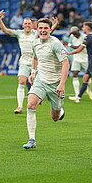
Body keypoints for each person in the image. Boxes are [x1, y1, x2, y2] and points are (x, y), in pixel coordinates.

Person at [0, 10, 59, 114]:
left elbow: (49, 31)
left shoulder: (36, 33)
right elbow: (5, 30)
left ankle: (42, 99)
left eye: (29, 23)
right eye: (25, 23)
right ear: (23, 24)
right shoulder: (19, 33)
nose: (27, 25)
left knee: (41, 83)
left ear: (32, 25)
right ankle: (19, 106)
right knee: (21, 81)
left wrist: (55, 24)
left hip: (37, 62)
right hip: (24, 62)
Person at [23, 18, 69, 149]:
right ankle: (32, 139)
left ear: (50, 30)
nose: (43, 31)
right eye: (40, 28)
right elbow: (35, 58)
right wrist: (33, 73)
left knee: (55, 117)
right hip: (41, 80)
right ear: (37, 30)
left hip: (55, 84)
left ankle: (60, 110)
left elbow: (65, 63)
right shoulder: (35, 43)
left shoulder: (55, 43)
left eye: (45, 28)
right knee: (31, 104)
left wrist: (62, 84)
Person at [68, 22, 92, 105]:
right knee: (85, 78)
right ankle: (78, 97)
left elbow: (79, 49)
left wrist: (67, 53)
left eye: (84, 27)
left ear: (87, 28)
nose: (83, 29)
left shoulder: (87, 37)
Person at [67, 26, 92, 101]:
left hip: (85, 58)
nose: (74, 35)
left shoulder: (84, 37)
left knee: (88, 75)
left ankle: (89, 91)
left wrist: (70, 46)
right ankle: (77, 95)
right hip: (76, 58)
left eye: (75, 33)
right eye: (73, 33)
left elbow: (79, 47)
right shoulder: (72, 37)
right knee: (75, 74)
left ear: (78, 31)